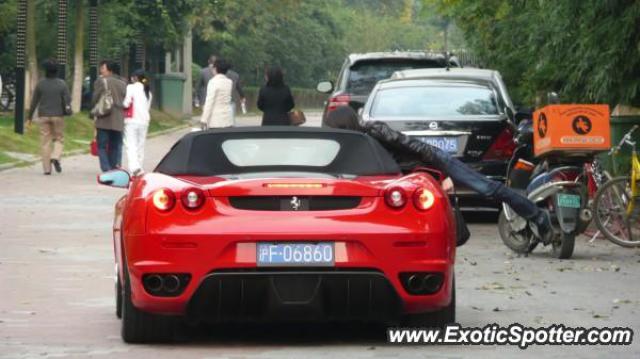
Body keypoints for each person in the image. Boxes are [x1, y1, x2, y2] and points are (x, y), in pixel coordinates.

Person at [325, 106, 552, 241]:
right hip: (414, 173)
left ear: (343, 125)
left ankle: (539, 217)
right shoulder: (350, 145)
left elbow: (413, 146)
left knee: (487, 188)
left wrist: (438, 170)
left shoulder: (373, 131)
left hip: (433, 160)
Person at [27, 59, 71, 175]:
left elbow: (34, 102)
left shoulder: (41, 84)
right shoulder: (62, 84)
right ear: (56, 71)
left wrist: (29, 117)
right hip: (58, 116)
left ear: (46, 71)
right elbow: (68, 100)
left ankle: (46, 169)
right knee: (59, 139)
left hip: (43, 116)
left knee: (45, 142)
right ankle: (55, 157)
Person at [92, 60, 126, 172]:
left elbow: (95, 98)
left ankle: (106, 169)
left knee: (101, 145)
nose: (101, 70)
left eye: (103, 68)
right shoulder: (123, 83)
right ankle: (113, 168)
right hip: (118, 119)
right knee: (115, 145)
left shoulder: (101, 81)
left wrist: (94, 109)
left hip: (104, 118)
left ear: (109, 70)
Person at [122, 69, 152, 176]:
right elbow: (147, 107)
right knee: (140, 145)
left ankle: (134, 167)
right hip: (144, 121)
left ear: (135, 78)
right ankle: (140, 166)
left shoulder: (131, 87)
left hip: (132, 120)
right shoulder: (148, 91)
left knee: (130, 144)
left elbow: (126, 103)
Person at [200, 58, 234, 129]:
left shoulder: (213, 82)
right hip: (228, 118)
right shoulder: (229, 82)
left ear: (215, 68)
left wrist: (204, 119)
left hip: (216, 121)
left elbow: (209, 102)